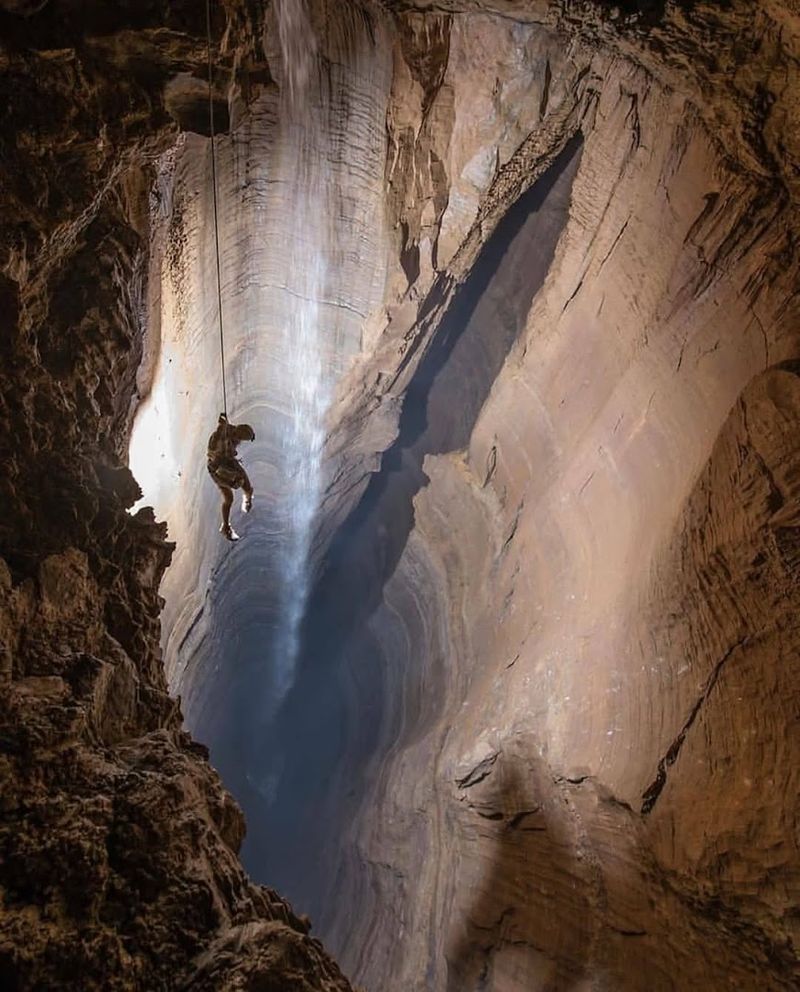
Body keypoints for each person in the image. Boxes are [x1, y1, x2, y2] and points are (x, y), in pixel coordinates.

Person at [207, 412, 255, 541]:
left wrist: (223, 422)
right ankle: (226, 527)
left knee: (245, 483)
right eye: (240, 438)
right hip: (217, 467)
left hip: (227, 461)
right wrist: (221, 424)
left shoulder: (233, 431)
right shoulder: (223, 435)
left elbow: (225, 426)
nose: (239, 441)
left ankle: (248, 497)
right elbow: (219, 432)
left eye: (241, 440)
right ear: (237, 432)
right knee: (230, 496)